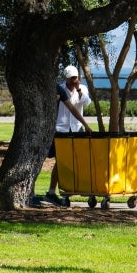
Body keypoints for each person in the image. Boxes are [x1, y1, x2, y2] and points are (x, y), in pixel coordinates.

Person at [42, 65, 92, 207]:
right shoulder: (60, 89)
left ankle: (81, 188)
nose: (74, 81)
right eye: (71, 79)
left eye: (75, 78)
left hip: (76, 128)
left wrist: (80, 90)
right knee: (61, 161)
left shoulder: (82, 89)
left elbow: (87, 103)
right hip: (61, 128)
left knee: (80, 160)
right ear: (66, 79)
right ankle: (52, 191)